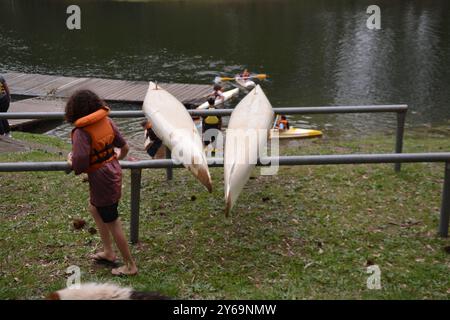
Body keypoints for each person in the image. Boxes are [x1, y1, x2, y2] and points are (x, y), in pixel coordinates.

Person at [65, 90, 137, 276]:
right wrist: (113, 160)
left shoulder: (82, 132)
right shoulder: (107, 121)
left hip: (101, 177)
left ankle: (130, 266)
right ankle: (108, 252)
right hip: (112, 171)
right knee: (94, 208)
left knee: (112, 220)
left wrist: (70, 159)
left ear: (74, 110)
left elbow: (79, 164)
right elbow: (125, 147)